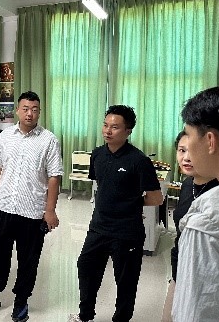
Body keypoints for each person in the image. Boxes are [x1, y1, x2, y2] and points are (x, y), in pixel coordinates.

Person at [0, 91, 63, 322]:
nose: (29, 114)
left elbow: (54, 177)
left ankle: (21, 301)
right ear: (17, 110)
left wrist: (50, 210)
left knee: (28, 259)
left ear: (39, 112)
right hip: (3, 206)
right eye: (25, 109)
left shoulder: (49, 140)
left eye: (34, 109)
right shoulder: (5, 136)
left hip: (32, 211)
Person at [69, 105, 163, 322]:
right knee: (86, 268)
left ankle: (121, 319)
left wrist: (131, 204)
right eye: (105, 125)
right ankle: (85, 315)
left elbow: (156, 198)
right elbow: (102, 185)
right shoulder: (97, 154)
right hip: (98, 227)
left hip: (127, 231)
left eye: (114, 127)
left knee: (126, 281)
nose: (107, 131)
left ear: (128, 131)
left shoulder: (139, 161)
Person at [172, 85, 219, 322]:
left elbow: (199, 311)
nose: (187, 155)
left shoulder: (207, 224)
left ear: (210, 141)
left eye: (190, 136)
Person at [161, 131, 219, 322]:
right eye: (181, 150)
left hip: (209, 276)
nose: (186, 157)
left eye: (193, 151)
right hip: (181, 268)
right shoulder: (187, 185)